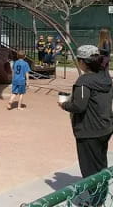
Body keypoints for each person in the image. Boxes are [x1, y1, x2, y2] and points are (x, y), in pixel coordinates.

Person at [59, 45, 113, 204]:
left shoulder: (84, 81)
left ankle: (96, 200)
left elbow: (79, 106)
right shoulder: (105, 78)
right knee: (100, 164)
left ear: (82, 62)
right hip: (105, 127)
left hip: (89, 131)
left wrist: (64, 104)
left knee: (90, 170)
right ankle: (101, 196)